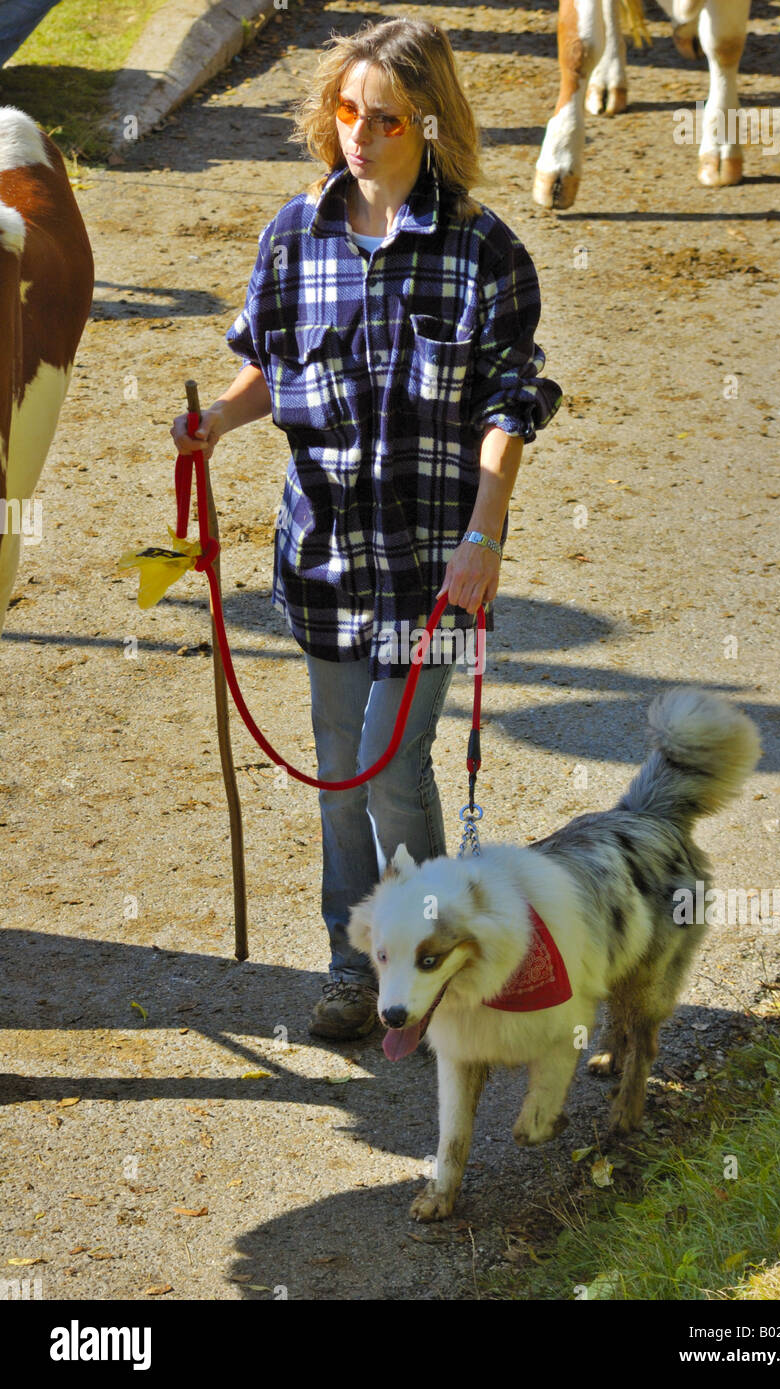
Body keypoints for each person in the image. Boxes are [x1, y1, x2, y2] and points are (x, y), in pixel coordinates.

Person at [171, 17, 562, 1040]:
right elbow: (269, 363)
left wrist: (486, 536)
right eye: (347, 112)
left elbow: (508, 407)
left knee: (394, 763)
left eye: (383, 119)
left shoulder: (484, 253)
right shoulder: (295, 235)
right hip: (324, 561)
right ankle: (354, 970)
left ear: (427, 125)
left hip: (431, 569)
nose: (359, 134)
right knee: (339, 771)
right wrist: (215, 417)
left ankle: (432, 961)